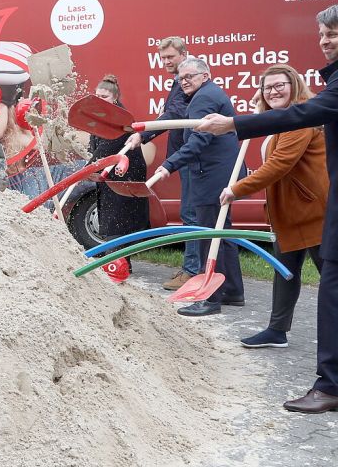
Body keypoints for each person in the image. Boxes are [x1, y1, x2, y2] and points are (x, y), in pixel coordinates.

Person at [197, 2, 338, 413]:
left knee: (336, 293)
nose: (324, 41)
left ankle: (332, 386)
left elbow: (304, 114)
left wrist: (233, 123)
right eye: (322, 34)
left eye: (333, 33)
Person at [221, 65, 338, 361]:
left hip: (316, 211)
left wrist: (236, 189)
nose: (274, 91)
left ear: (294, 85)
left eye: (280, 85)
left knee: (336, 276)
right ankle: (277, 330)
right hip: (289, 213)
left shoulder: (301, 118)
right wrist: (263, 109)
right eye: (267, 87)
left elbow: (280, 164)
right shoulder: (281, 120)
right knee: (284, 273)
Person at [154, 57, 245, 316]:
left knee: (209, 237)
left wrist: (169, 165)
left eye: (189, 77)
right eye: (180, 78)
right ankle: (233, 291)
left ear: (205, 76)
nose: (184, 82)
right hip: (221, 173)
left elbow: (199, 140)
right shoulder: (209, 93)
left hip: (214, 176)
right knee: (222, 234)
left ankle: (211, 298)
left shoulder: (204, 98)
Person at [125, 37, 200, 290]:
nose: (166, 62)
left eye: (171, 57)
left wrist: (144, 133)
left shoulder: (187, 82)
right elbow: (171, 115)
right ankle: (196, 269)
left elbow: (174, 115)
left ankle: (192, 272)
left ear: (184, 54)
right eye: (163, 58)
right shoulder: (180, 82)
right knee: (193, 214)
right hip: (187, 156)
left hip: (192, 156)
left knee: (191, 214)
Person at [87, 75, 150, 242]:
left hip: (125, 177)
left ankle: (120, 263)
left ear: (115, 98)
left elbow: (108, 145)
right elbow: (95, 143)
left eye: (104, 97)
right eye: (97, 96)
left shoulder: (120, 118)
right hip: (112, 174)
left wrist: (89, 167)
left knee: (119, 222)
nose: (100, 100)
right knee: (113, 221)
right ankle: (119, 262)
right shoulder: (102, 114)